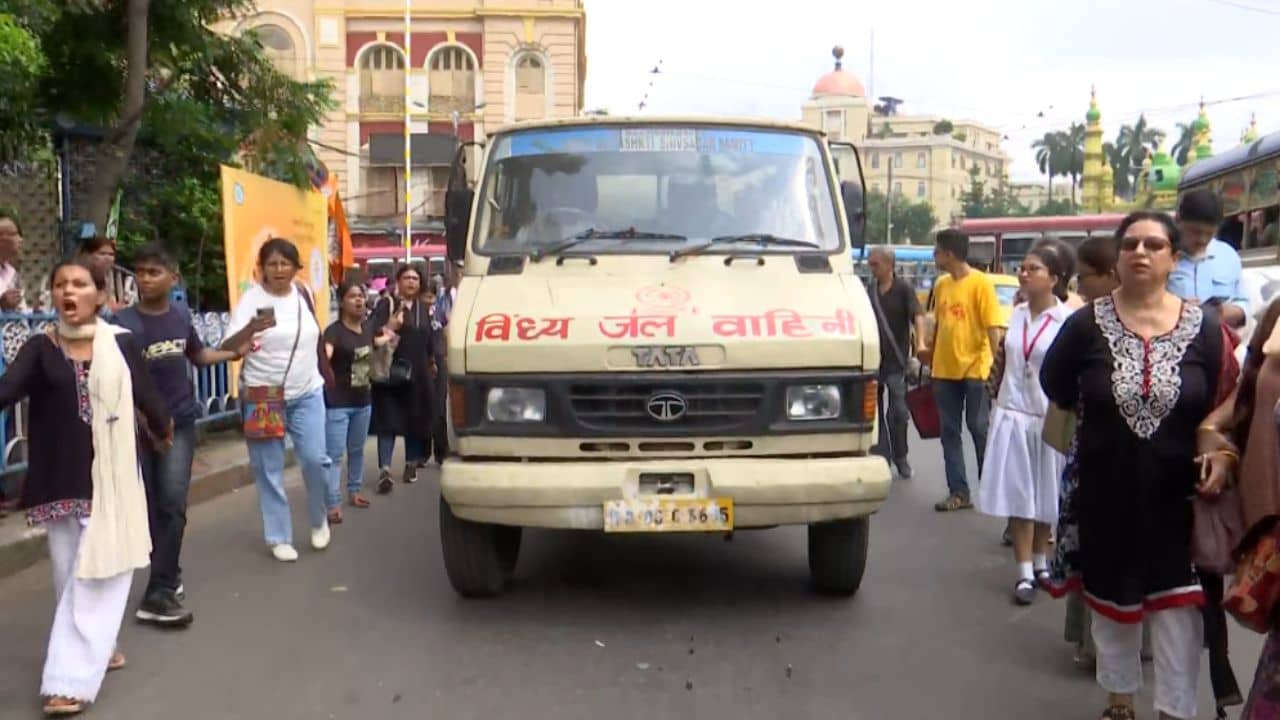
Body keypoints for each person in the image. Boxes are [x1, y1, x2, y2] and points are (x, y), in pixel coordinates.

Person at [1041, 211, 1223, 720]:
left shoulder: (1204, 329)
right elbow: (1056, 384)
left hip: (1180, 499)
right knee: (1113, 605)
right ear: (1118, 258)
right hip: (1105, 491)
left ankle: (1174, 710)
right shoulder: (1085, 325)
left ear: (1174, 258)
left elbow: (1223, 400)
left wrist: (1217, 451)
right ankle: (1120, 702)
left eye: (1154, 245)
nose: (1140, 252)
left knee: (1180, 616)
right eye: (1130, 244)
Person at [0, 259, 171, 715]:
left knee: (99, 571)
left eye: (79, 284)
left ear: (100, 295)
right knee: (70, 576)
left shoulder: (120, 343)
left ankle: (68, 680)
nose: (68, 292)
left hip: (112, 478)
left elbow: (146, 395)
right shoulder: (41, 347)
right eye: (60, 285)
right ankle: (103, 645)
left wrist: (163, 426)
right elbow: (7, 390)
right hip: (59, 477)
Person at [112, 244, 245, 627]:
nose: (144, 279)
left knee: (172, 504)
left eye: (154, 272)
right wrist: (148, 425)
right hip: (140, 427)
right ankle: (167, 573)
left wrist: (232, 354)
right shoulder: (123, 324)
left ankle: (160, 589)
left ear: (173, 278)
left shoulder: (180, 315)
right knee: (152, 507)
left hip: (181, 422)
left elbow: (198, 356)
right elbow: (120, 382)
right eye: (140, 272)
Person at [221, 238, 334, 562]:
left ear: (296, 267)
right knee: (268, 467)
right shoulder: (251, 300)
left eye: (285, 263)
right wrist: (251, 328)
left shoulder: (303, 293)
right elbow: (228, 346)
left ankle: (319, 518)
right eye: (272, 263)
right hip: (264, 395)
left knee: (315, 460)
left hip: (307, 390)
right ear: (262, 268)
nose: (279, 269)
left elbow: (315, 335)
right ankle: (278, 536)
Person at [977, 240, 1072, 605]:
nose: (1024, 274)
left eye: (1034, 269)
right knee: (1020, 495)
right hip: (1012, 413)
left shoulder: (1066, 321)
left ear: (1054, 279)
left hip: (1048, 416)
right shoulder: (1016, 314)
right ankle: (1025, 572)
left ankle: (1042, 562)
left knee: (1047, 493)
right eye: (1023, 268)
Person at [920, 229, 1003, 511]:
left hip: (976, 368)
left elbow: (993, 329)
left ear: (949, 254)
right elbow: (938, 323)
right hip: (944, 369)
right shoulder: (942, 284)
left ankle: (991, 491)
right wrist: (927, 352)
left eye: (936, 252)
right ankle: (959, 492)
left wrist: (999, 370)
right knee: (949, 431)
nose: (934, 256)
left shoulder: (981, 283)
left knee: (979, 428)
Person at [323, 280, 393, 520]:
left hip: (363, 400)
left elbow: (375, 343)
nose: (359, 300)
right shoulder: (333, 332)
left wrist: (390, 335)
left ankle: (354, 491)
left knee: (357, 450)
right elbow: (325, 356)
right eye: (353, 296)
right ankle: (333, 503)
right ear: (342, 302)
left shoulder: (366, 328)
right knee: (334, 455)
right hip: (338, 403)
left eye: (361, 296)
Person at [370, 264, 437, 491]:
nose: (411, 282)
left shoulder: (422, 308)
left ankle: (411, 464)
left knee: (414, 420)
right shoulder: (387, 304)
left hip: (417, 373)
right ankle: (385, 470)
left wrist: (432, 362)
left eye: (415, 279)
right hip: (391, 373)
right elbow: (372, 333)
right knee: (387, 422)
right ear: (398, 281)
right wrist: (390, 326)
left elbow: (428, 339)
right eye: (407, 277)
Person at [867, 247, 926, 478]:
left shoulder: (903, 289)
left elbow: (918, 316)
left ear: (889, 265)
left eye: (876, 264)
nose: (872, 269)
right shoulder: (869, 290)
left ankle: (901, 456)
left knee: (898, 413)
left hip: (896, 363)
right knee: (874, 414)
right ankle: (882, 456)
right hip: (873, 363)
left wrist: (920, 343)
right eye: (870, 264)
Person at [1171, 189, 1248, 329]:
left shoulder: (1228, 255)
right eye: (1195, 232)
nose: (1202, 240)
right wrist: (1176, 309)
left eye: (1209, 233)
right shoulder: (1162, 255)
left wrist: (1220, 312)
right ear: (1178, 220)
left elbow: (1243, 304)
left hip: (1221, 335)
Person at [77, 237, 131, 314]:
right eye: (102, 253)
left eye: (111, 254)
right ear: (88, 255)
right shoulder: (76, 278)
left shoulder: (106, 280)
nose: (107, 258)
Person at [0, 208, 27, 311]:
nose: (20, 239)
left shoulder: (11, 272)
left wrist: (35, 313)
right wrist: (1, 305)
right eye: (13, 234)